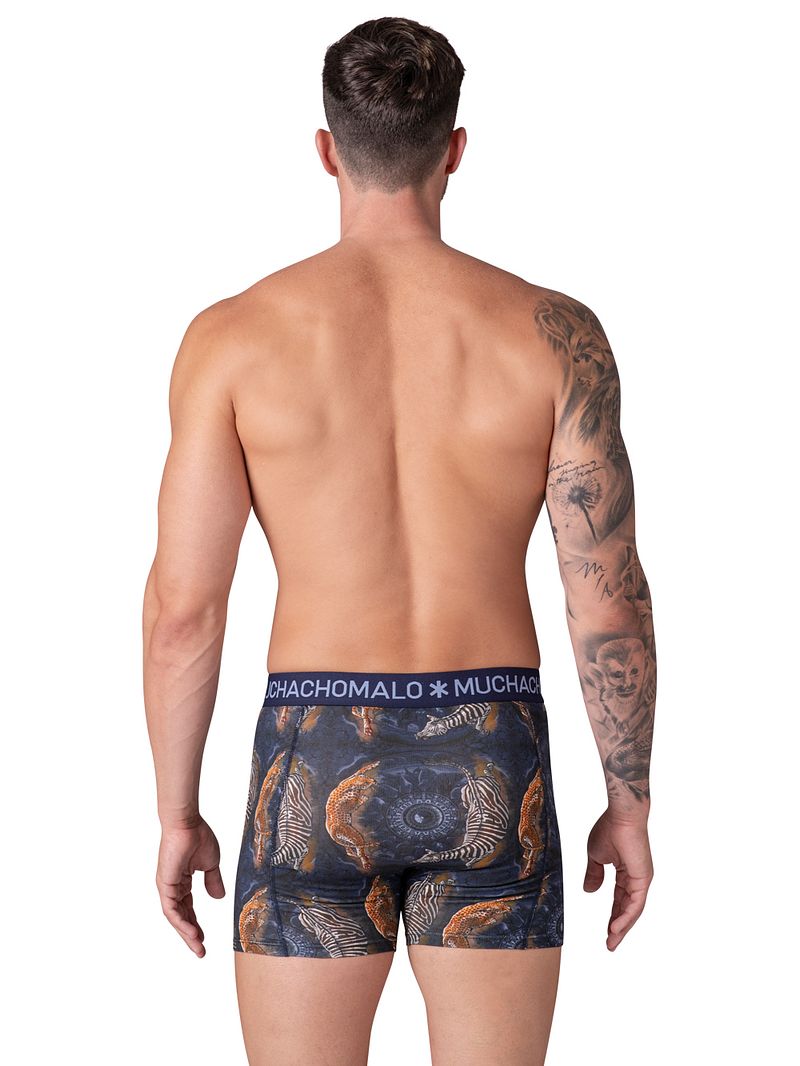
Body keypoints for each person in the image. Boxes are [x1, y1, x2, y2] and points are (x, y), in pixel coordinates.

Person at [142, 15, 656, 1066]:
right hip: (493, 751)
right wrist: (629, 802)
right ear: (454, 149)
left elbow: (184, 609)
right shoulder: (555, 335)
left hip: (312, 750)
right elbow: (605, 594)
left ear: (326, 150)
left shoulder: (232, 339)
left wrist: (176, 812)